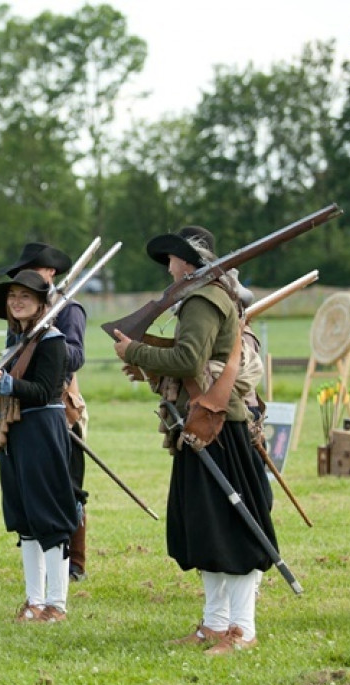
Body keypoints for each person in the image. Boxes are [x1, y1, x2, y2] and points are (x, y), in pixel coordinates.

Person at [113, 226, 276, 654]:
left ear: (188, 262)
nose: (168, 268)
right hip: (203, 421)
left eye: (172, 259)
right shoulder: (207, 296)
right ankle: (215, 623)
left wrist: (134, 351)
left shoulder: (204, 298)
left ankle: (242, 628)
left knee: (231, 528)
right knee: (206, 527)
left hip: (216, 424)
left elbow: (188, 358)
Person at [0, 270, 80, 622]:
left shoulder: (52, 340)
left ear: (40, 304)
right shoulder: (17, 342)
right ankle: (34, 600)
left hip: (42, 430)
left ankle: (57, 604)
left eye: (25, 297)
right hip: (17, 434)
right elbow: (1, 401)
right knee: (25, 520)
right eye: (12, 297)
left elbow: (45, 391)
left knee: (48, 517)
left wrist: (8, 385)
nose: (16, 302)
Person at [1, 243, 90, 581]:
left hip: (60, 403)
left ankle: (75, 562)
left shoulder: (68, 308)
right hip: (23, 401)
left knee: (68, 488)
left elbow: (77, 355)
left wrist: (44, 347)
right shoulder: (21, 315)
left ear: (51, 272)